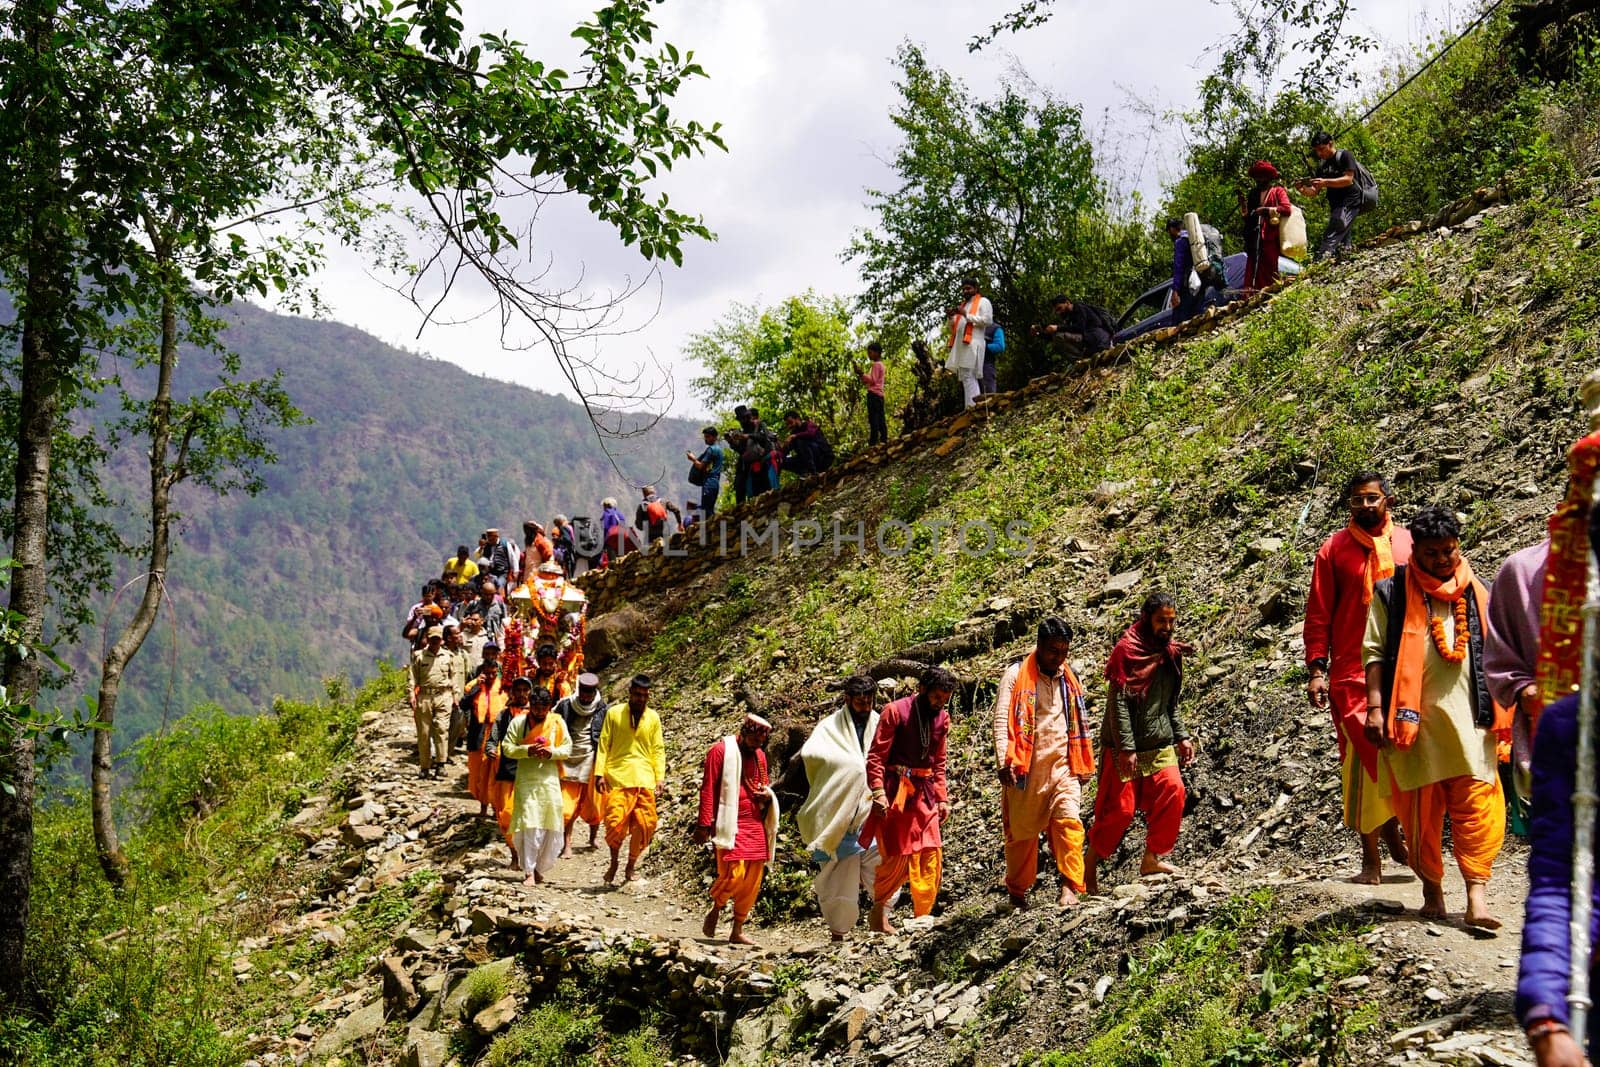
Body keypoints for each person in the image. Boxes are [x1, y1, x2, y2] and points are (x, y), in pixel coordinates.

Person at [1364, 505, 1508, 927]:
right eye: (1433, 553)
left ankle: (1476, 896)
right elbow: (1373, 654)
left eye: (1449, 550)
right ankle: (1432, 888)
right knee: (1421, 813)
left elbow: (1499, 652)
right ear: (1416, 554)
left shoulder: (1476, 590)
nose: (1443, 559)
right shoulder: (1391, 592)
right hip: (1413, 723)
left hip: (1471, 719)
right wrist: (1375, 708)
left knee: (1476, 806)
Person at [1304, 471, 1412, 883]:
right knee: (1360, 762)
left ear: (1388, 500)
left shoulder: (1407, 543)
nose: (1365, 506)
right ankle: (1371, 858)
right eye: (1357, 501)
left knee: (1401, 755)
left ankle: (1398, 828)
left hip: (1404, 665)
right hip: (1350, 672)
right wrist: (1317, 668)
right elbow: (1319, 612)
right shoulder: (1333, 550)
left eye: (1372, 498)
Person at [1085, 593, 1197, 894]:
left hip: (1159, 743)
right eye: (1162, 620)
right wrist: (1127, 748)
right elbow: (1118, 705)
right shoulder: (1126, 651)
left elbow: (1170, 703)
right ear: (1147, 618)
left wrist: (1182, 736)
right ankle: (1089, 865)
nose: (1168, 627)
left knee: (1174, 791)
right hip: (1126, 746)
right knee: (1120, 811)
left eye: (1172, 621)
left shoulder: (1170, 654)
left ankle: (1152, 858)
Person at [994, 617, 1097, 909]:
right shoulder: (1015, 675)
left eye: (1064, 651)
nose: (1059, 657)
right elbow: (1002, 720)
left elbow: (1075, 722)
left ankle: (1069, 887)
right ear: (1039, 645)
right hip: (1026, 769)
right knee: (1023, 838)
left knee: (1069, 822)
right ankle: (1017, 892)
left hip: (1063, 766)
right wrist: (1004, 761)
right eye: (1053, 650)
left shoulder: (1069, 677)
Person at [793, 675, 884, 940]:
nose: (865, 708)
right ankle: (838, 931)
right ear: (847, 700)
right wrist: (849, 767)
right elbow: (812, 755)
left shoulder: (878, 723)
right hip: (840, 812)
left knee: (880, 864)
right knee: (839, 874)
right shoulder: (828, 726)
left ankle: (882, 916)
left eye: (869, 702)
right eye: (859, 703)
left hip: (870, 809)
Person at [866, 666, 955, 932]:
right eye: (936, 697)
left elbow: (939, 762)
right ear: (923, 690)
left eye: (945, 699)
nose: (939, 703)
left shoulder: (943, 719)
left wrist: (942, 798)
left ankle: (921, 917)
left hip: (925, 795)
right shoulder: (894, 711)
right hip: (897, 795)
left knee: (930, 853)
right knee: (896, 857)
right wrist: (878, 792)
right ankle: (879, 914)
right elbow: (875, 757)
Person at [695, 714, 778, 945]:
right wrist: (703, 824)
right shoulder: (720, 751)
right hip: (729, 822)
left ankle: (737, 929)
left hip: (754, 822)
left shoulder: (760, 755)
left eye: (760, 742)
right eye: (753, 740)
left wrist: (767, 795)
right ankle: (717, 907)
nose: (756, 745)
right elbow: (708, 788)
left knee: (753, 879)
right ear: (744, 732)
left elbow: (763, 783)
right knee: (734, 873)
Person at [594, 674, 666, 884]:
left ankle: (631, 865)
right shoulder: (614, 714)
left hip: (644, 779)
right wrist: (599, 774)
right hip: (617, 777)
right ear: (630, 693)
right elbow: (604, 744)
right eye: (637, 695)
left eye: (644, 696)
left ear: (648, 696)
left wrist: (659, 778)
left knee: (646, 826)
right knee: (615, 825)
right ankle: (614, 862)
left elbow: (658, 750)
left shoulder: (653, 718)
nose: (640, 699)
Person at [500, 685, 572, 885]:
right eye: (536, 707)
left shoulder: (557, 724)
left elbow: (567, 748)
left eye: (544, 708)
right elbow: (507, 748)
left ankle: (541, 868)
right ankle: (529, 871)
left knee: (550, 825)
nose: (540, 712)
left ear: (549, 707)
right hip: (527, 781)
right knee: (529, 824)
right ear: (531, 705)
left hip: (549, 781)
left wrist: (551, 753)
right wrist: (527, 750)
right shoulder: (519, 722)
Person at [1296, 131, 1373, 260]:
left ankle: (1320, 261)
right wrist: (1302, 189)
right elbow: (1314, 192)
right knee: (1343, 238)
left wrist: (1325, 182)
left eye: (1322, 149)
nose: (1319, 153)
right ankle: (1345, 261)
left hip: (1351, 200)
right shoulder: (1322, 166)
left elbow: (1348, 179)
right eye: (1317, 151)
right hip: (1336, 204)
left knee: (1333, 231)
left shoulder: (1344, 156)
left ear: (1330, 144)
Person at [557, 673, 607, 857]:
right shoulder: (564, 705)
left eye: (589, 693)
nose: (586, 696)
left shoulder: (603, 708)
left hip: (591, 758)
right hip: (568, 758)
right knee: (567, 806)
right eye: (583, 692)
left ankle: (593, 838)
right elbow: (553, 725)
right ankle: (566, 844)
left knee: (594, 803)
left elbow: (607, 735)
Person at [486, 677, 532, 866]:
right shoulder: (503, 715)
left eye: (525, 690)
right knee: (505, 817)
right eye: (518, 690)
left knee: (527, 816)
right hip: (506, 771)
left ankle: (527, 857)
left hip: (529, 773)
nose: (521, 694)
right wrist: (490, 748)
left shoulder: (537, 714)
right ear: (512, 693)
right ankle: (514, 853)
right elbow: (493, 738)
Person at [409, 625, 461, 780]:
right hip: (425, 696)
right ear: (428, 639)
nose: (435, 642)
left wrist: (455, 696)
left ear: (441, 640)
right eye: (432, 639)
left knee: (442, 729)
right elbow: (412, 677)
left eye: (437, 639)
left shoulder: (448, 656)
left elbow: (454, 677)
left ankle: (441, 763)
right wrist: (411, 694)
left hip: (443, 695)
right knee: (424, 733)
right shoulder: (419, 656)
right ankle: (425, 766)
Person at [463, 661, 506, 818]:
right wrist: (476, 688)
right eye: (487, 673)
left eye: (494, 673)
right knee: (478, 773)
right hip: (478, 733)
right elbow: (463, 704)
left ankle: (495, 808)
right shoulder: (473, 686)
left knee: (494, 772)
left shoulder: (503, 687)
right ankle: (482, 807)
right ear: (482, 672)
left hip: (496, 734)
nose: (490, 677)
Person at [1242, 160, 1293, 293]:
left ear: (1269, 177)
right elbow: (1249, 218)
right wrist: (1245, 210)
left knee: (1269, 267)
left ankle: (1270, 292)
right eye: (1257, 177)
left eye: (1262, 176)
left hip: (1270, 237)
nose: (1259, 180)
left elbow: (1286, 209)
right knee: (1252, 268)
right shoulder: (1253, 194)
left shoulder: (1277, 191)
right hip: (1254, 237)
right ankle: (1251, 295)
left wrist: (1267, 210)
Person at [1165, 218, 1226, 324]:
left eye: (1169, 231)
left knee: (1180, 321)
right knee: (1198, 315)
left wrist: (1175, 290)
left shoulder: (1180, 241)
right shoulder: (1195, 237)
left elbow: (1178, 268)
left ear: (1172, 229)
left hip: (1188, 286)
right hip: (1201, 281)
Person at [944, 278, 992, 409]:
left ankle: (973, 407)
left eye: (968, 288)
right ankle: (971, 407)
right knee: (966, 376)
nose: (966, 291)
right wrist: (950, 317)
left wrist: (967, 315)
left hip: (974, 343)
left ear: (976, 289)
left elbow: (988, 320)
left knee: (969, 375)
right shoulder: (964, 305)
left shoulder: (983, 302)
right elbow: (955, 327)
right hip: (962, 345)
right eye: (964, 289)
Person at [1032, 294, 1113, 360]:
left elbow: (1079, 328)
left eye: (1060, 308)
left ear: (1067, 302)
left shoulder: (1079, 307)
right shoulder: (1070, 317)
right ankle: (1083, 358)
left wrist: (1057, 328)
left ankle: (1081, 360)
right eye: (1057, 311)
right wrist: (1039, 334)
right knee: (1057, 336)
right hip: (1089, 340)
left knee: (1058, 335)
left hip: (1098, 338)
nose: (1059, 312)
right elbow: (1059, 338)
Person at [687, 427, 725, 519]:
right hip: (714, 482)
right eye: (705, 437)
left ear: (714, 437)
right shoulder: (719, 450)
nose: (706, 439)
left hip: (709, 482)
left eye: (708, 437)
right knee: (708, 508)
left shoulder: (711, 450)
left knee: (707, 511)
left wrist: (693, 459)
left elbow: (701, 466)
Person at [780, 411, 831, 477]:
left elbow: (810, 433)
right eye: (787, 424)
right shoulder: (793, 434)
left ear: (797, 419)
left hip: (823, 457)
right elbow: (786, 450)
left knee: (801, 441)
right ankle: (805, 473)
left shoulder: (809, 424)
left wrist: (795, 436)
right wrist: (783, 448)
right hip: (807, 461)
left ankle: (813, 473)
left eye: (790, 422)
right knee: (781, 461)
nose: (789, 426)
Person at [858, 344, 889, 446]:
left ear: (876, 353)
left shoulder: (876, 365)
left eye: (870, 353)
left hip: (873, 395)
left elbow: (873, 380)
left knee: (873, 418)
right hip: (879, 395)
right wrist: (862, 375)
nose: (869, 355)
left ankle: (873, 441)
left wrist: (861, 373)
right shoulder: (882, 365)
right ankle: (884, 438)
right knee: (880, 417)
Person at [981, 323, 1005, 395]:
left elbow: (1000, 346)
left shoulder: (995, 328)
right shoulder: (972, 326)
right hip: (971, 367)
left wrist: (983, 346)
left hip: (986, 366)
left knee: (989, 397)